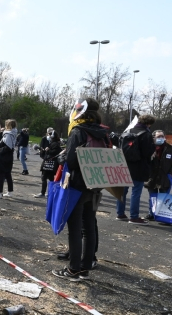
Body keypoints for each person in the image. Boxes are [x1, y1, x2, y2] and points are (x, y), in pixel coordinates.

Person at [52, 97, 108, 281]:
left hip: (76, 186)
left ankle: (73, 270)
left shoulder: (78, 131)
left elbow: (71, 161)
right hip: (95, 185)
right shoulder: (103, 133)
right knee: (89, 228)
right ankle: (85, 268)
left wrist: (61, 158)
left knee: (75, 229)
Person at [115, 114, 156, 224]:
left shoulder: (128, 130)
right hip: (139, 166)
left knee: (122, 190)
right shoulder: (146, 134)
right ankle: (134, 216)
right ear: (149, 123)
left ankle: (120, 213)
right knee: (136, 192)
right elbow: (147, 152)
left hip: (124, 164)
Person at [145, 130, 172, 221]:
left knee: (164, 197)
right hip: (152, 176)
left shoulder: (169, 148)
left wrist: (170, 174)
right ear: (154, 138)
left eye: (162, 136)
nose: (160, 138)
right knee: (153, 196)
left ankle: (163, 216)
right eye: (158, 136)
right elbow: (145, 162)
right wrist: (149, 157)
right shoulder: (149, 148)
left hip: (165, 176)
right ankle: (151, 213)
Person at [0, 119, 17, 198]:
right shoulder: (13, 133)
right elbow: (4, 143)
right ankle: (10, 192)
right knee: (8, 174)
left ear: (8, 125)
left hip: (4, 156)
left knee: (1, 174)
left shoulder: (8, 134)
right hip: (10, 156)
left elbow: (8, 147)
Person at [34, 131, 62, 198]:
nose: (48, 137)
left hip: (49, 164)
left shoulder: (55, 144)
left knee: (44, 178)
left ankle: (43, 193)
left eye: (49, 135)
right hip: (50, 164)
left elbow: (56, 152)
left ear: (52, 136)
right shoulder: (54, 143)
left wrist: (48, 150)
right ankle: (50, 193)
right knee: (51, 179)